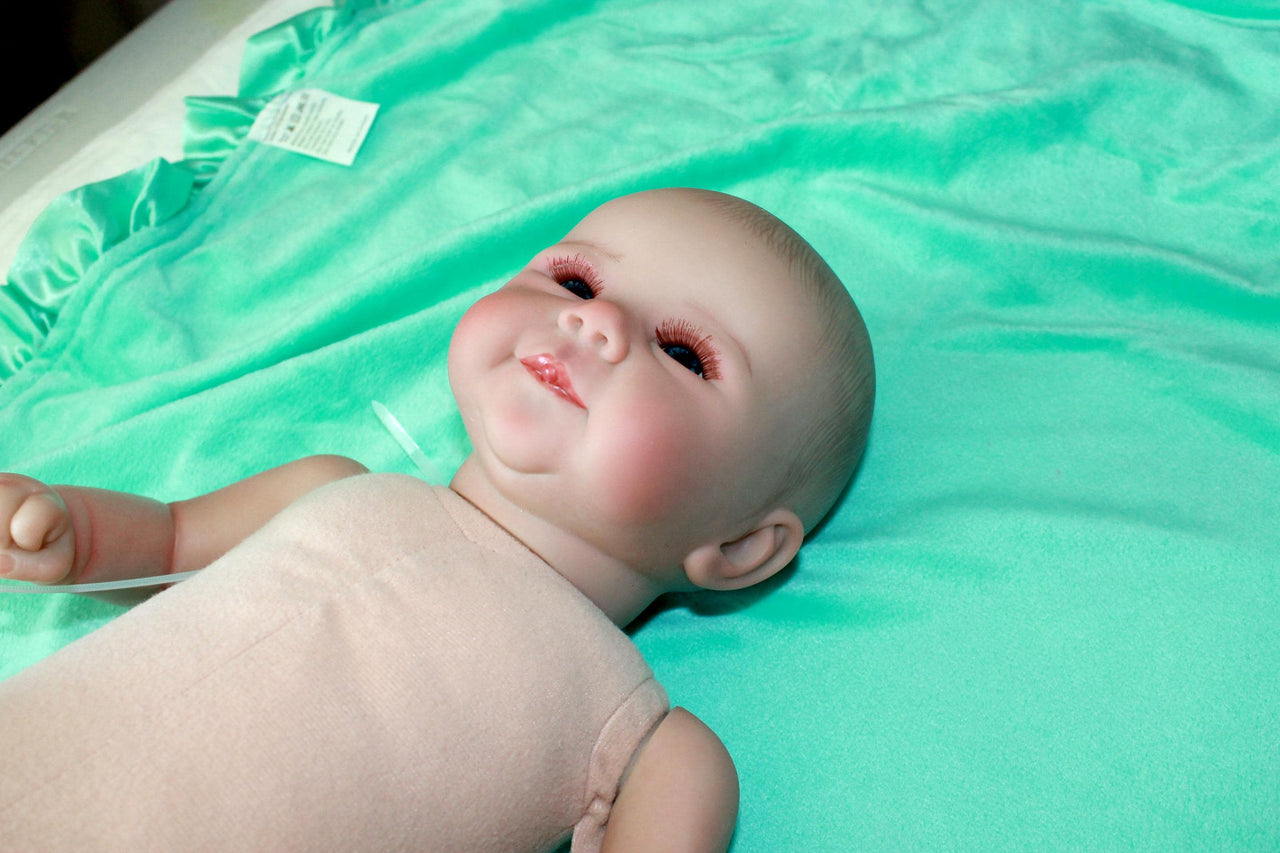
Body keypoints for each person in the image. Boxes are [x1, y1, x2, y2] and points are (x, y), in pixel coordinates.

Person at [0, 188, 874, 851]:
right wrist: (70, 533)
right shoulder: (326, 486)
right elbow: (166, 542)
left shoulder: (656, 750)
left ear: (741, 546)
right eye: (575, 278)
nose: (595, 319)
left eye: (682, 352)